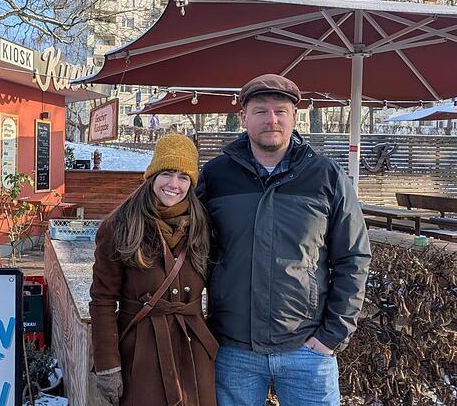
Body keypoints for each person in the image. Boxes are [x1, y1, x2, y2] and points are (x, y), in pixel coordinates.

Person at [196, 74, 371, 405]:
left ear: (294, 116)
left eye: (280, 111)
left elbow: (353, 257)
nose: (271, 120)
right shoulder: (217, 176)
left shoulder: (325, 176)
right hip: (233, 349)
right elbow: (190, 246)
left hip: (308, 349)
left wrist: (332, 334)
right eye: (260, 111)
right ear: (243, 117)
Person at [90, 134, 217, 406]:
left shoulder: (203, 225)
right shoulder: (120, 226)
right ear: (152, 175)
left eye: (183, 177)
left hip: (193, 352)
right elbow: (102, 300)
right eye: (167, 173)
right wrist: (108, 365)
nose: (174, 184)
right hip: (141, 353)